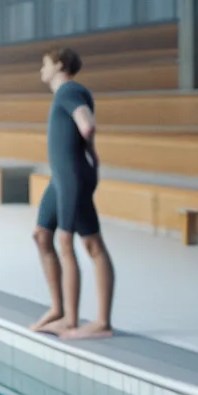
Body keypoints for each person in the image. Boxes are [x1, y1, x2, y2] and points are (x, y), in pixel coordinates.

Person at [28, 47, 116, 340]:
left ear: (59, 65)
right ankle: (59, 309)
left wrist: (89, 146)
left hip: (72, 177)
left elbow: (86, 124)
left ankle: (79, 321)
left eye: (45, 64)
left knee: (75, 242)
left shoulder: (68, 91)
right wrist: (92, 155)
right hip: (63, 177)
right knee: (42, 235)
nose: (42, 69)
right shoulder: (67, 93)